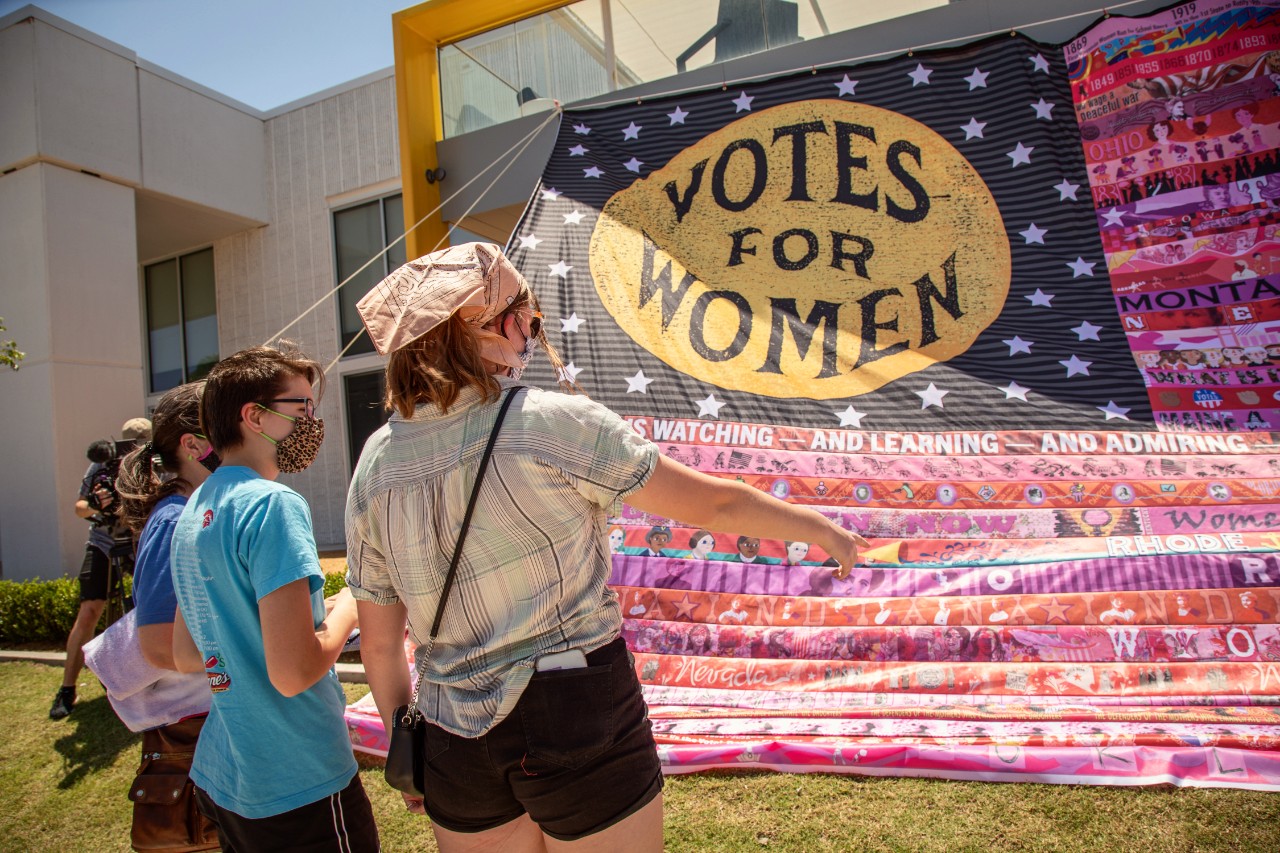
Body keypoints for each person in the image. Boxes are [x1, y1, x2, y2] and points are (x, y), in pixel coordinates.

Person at [345, 242, 867, 852]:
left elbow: (380, 642)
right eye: (526, 316)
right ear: (479, 326)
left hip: (450, 733)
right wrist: (822, 529)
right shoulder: (552, 422)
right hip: (573, 704)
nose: (531, 334)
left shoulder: (375, 463)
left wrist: (408, 747)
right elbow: (718, 503)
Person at [169, 344, 378, 851]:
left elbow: (188, 652)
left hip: (229, 772)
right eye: (302, 407)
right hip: (298, 773)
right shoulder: (273, 504)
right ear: (253, 416)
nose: (313, 422)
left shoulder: (194, 507)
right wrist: (353, 601)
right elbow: (293, 673)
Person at [113, 382, 220, 848]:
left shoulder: (192, 511)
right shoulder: (175, 518)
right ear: (192, 445)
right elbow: (157, 645)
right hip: (191, 742)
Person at [50, 417, 150, 719]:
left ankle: (148, 678)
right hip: (103, 541)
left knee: (149, 604)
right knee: (90, 610)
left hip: (137, 539)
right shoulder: (101, 465)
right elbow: (80, 508)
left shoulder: (152, 464)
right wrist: (96, 502)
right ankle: (67, 688)